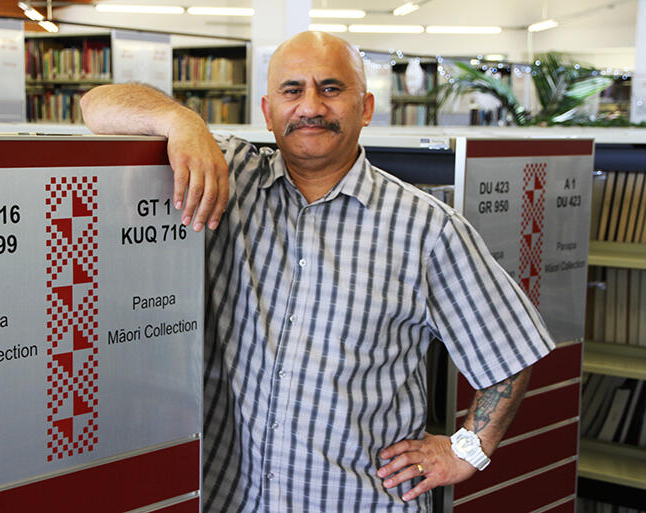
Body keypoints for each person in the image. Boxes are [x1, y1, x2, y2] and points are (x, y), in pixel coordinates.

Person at [81, 31, 555, 512]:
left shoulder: (426, 228)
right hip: (229, 498)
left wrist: (466, 450)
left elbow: (510, 349)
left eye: (331, 88)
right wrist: (178, 120)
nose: (310, 106)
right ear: (267, 111)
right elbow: (97, 106)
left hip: (357, 500)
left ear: (366, 107)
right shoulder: (227, 178)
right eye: (292, 91)